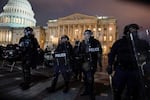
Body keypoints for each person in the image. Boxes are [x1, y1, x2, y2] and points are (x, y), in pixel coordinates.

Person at [107, 24, 150, 100]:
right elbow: (112, 54)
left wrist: (145, 58)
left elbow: (148, 53)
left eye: (136, 31)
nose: (135, 33)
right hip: (121, 70)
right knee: (118, 89)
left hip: (135, 70)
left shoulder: (142, 43)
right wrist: (110, 65)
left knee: (134, 91)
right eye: (132, 31)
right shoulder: (119, 43)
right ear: (127, 33)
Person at [80, 30, 102, 100]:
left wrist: (99, 61)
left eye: (88, 34)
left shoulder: (95, 42)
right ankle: (87, 90)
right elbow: (80, 51)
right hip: (84, 63)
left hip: (92, 62)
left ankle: (91, 92)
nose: (87, 35)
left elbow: (99, 51)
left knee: (90, 78)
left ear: (91, 34)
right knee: (85, 78)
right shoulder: (83, 42)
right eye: (85, 34)